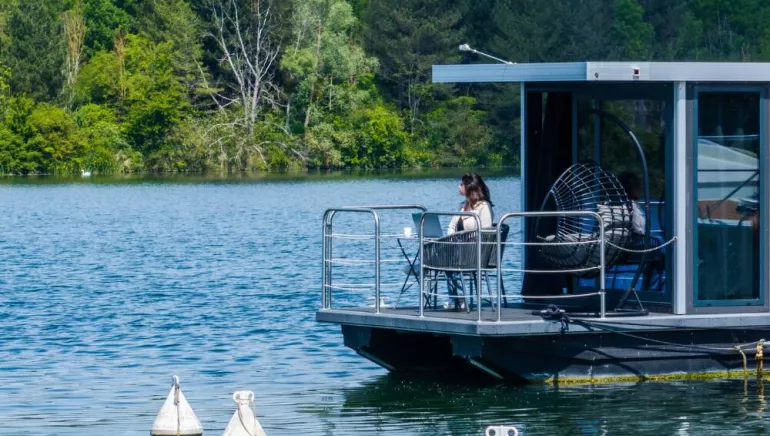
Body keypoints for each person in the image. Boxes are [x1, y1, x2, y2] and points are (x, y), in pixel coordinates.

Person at [617, 171, 645, 236]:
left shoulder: (621, 204)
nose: (641, 190)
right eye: (638, 187)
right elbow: (638, 228)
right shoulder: (631, 206)